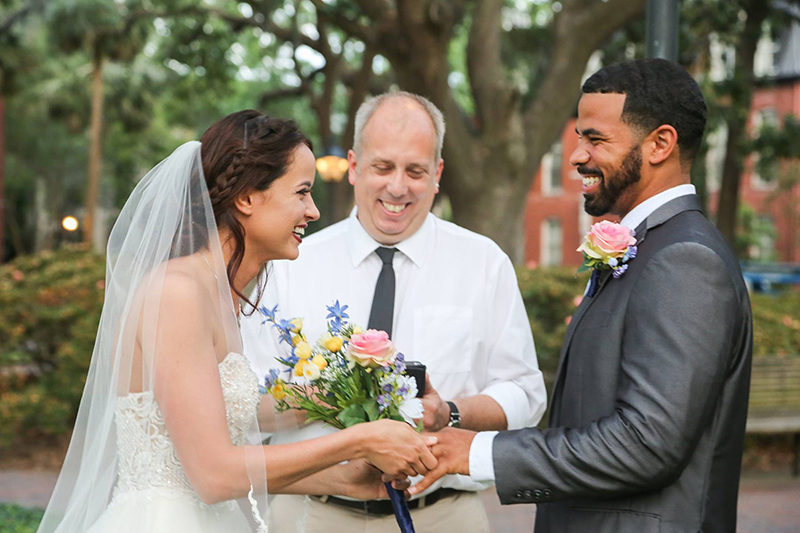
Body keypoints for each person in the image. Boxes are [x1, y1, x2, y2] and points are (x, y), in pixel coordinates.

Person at [36, 110, 438, 533]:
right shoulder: (176, 293)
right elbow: (214, 476)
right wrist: (361, 439)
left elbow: (221, 424)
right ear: (246, 198)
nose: (314, 211)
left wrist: (342, 475)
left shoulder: (218, 292)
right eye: (302, 192)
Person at [411, 58, 753, 533]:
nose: (575, 156)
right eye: (578, 138)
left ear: (660, 144)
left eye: (595, 139)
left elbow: (646, 444)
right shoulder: (651, 247)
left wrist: (477, 452)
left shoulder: (685, 259)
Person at [240, 91, 547, 532]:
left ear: (437, 174)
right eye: (383, 167)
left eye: (415, 171)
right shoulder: (289, 264)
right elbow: (244, 404)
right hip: (311, 514)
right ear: (354, 166)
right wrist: (325, 400)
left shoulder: (484, 263)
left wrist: (449, 412)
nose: (398, 187)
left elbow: (525, 393)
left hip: (445, 515)